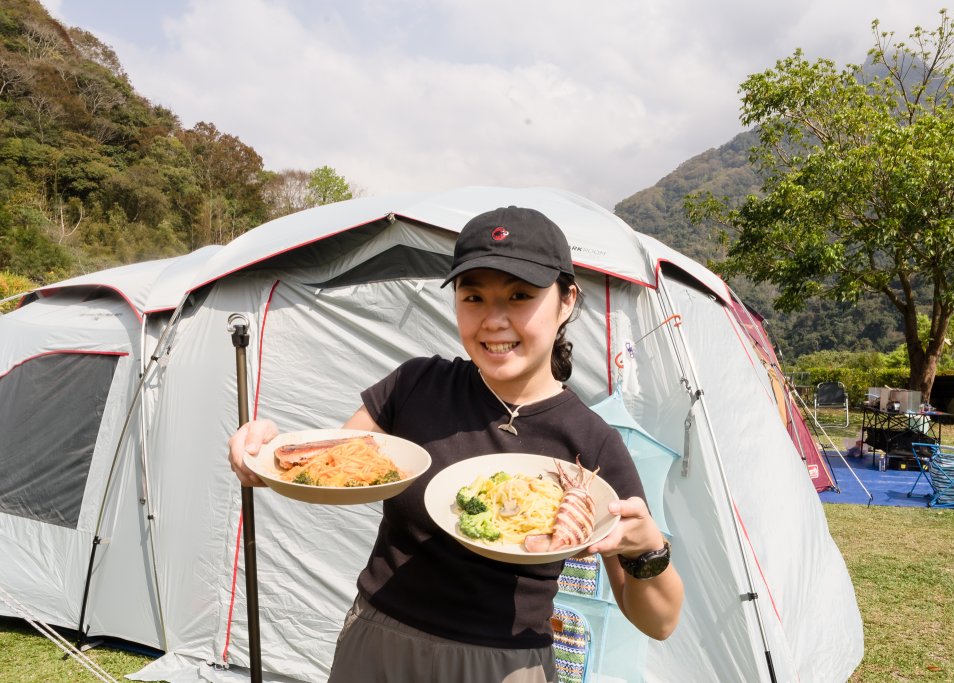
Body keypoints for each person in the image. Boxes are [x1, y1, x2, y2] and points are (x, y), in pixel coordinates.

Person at [228, 206, 684, 682]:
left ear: (567, 300)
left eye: (519, 295)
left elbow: (659, 621)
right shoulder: (417, 384)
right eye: (473, 297)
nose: (493, 320)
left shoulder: (592, 443)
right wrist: (267, 450)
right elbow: (335, 466)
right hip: (378, 641)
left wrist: (646, 551)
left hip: (503, 664)